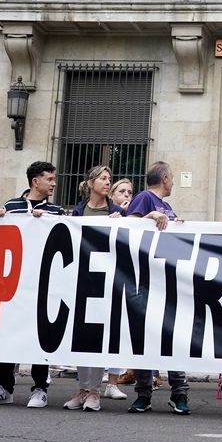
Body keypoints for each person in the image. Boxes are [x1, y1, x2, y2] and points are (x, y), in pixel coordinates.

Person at [0, 161, 59, 410]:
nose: (54, 183)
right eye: (49, 179)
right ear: (35, 181)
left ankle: (40, 388)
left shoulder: (56, 211)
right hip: (12, 283)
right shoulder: (11, 207)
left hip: (43, 284)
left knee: (41, 336)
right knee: (9, 334)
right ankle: (5, 387)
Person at [123, 161, 190, 415]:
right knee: (145, 337)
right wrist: (149, 216)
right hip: (146, 283)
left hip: (166, 283)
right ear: (164, 178)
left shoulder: (167, 206)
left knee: (172, 338)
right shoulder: (144, 198)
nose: (173, 181)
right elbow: (129, 226)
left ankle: (179, 393)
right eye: (172, 177)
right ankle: (143, 394)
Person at [69, 164, 127, 404]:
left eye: (109, 178)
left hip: (106, 282)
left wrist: (120, 222)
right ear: (91, 182)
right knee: (82, 337)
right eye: (103, 178)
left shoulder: (116, 212)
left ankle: (94, 391)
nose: (107, 182)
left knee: (99, 336)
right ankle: (83, 389)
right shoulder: (78, 212)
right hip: (82, 279)